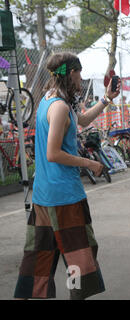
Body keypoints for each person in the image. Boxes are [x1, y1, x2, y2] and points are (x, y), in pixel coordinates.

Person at [13, 52, 121, 300]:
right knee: (78, 259)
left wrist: (106, 99)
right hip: (64, 197)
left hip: (44, 196)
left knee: (38, 259)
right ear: (70, 74)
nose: (81, 78)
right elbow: (53, 153)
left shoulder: (49, 100)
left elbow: (81, 120)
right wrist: (90, 164)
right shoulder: (60, 106)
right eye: (79, 73)